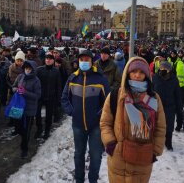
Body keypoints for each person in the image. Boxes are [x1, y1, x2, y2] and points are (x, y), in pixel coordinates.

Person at [100, 57, 166, 183]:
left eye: (141, 72)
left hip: (143, 157)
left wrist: (155, 150)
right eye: (134, 71)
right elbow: (105, 122)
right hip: (118, 158)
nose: (137, 75)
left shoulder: (154, 98)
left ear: (146, 75)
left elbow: (160, 127)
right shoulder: (116, 95)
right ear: (127, 73)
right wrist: (111, 144)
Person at [62, 50, 110, 183]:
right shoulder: (72, 78)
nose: (84, 62)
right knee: (78, 154)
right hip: (78, 125)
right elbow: (64, 97)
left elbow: (108, 101)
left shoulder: (100, 78)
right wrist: (71, 111)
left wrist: (99, 114)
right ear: (78, 61)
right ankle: (79, 179)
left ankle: (93, 179)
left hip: (95, 125)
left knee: (95, 155)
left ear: (91, 61)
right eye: (81, 59)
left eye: (87, 60)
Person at [12, 60, 41, 158]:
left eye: (29, 69)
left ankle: (24, 148)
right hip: (18, 105)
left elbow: (37, 95)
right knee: (18, 126)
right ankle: (21, 137)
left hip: (29, 108)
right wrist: (16, 90)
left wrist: (25, 92)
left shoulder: (36, 80)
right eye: (26, 68)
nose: (27, 70)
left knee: (26, 130)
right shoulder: (20, 76)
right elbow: (14, 87)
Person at [152, 61, 182, 150]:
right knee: (156, 124)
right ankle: (155, 141)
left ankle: (168, 142)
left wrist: (179, 108)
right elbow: (151, 91)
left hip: (170, 107)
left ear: (170, 70)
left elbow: (178, 95)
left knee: (169, 126)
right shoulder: (155, 77)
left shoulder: (174, 79)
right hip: (156, 106)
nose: (164, 70)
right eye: (162, 68)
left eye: (166, 68)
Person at [35, 54, 61, 139]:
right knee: (37, 114)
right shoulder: (39, 70)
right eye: (47, 59)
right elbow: (35, 82)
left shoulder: (56, 71)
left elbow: (58, 85)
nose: (48, 60)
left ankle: (47, 130)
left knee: (49, 115)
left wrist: (58, 98)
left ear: (53, 61)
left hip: (51, 96)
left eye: (50, 59)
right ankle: (39, 129)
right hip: (40, 96)